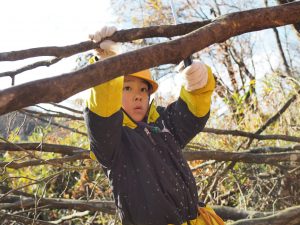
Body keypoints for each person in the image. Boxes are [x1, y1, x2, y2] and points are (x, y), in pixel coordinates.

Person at [84, 26, 224, 225]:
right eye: (127, 88)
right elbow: (101, 115)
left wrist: (198, 86)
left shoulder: (163, 124)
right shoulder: (114, 142)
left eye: (143, 89)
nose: (138, 94)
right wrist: (107, 68)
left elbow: (192, 115)